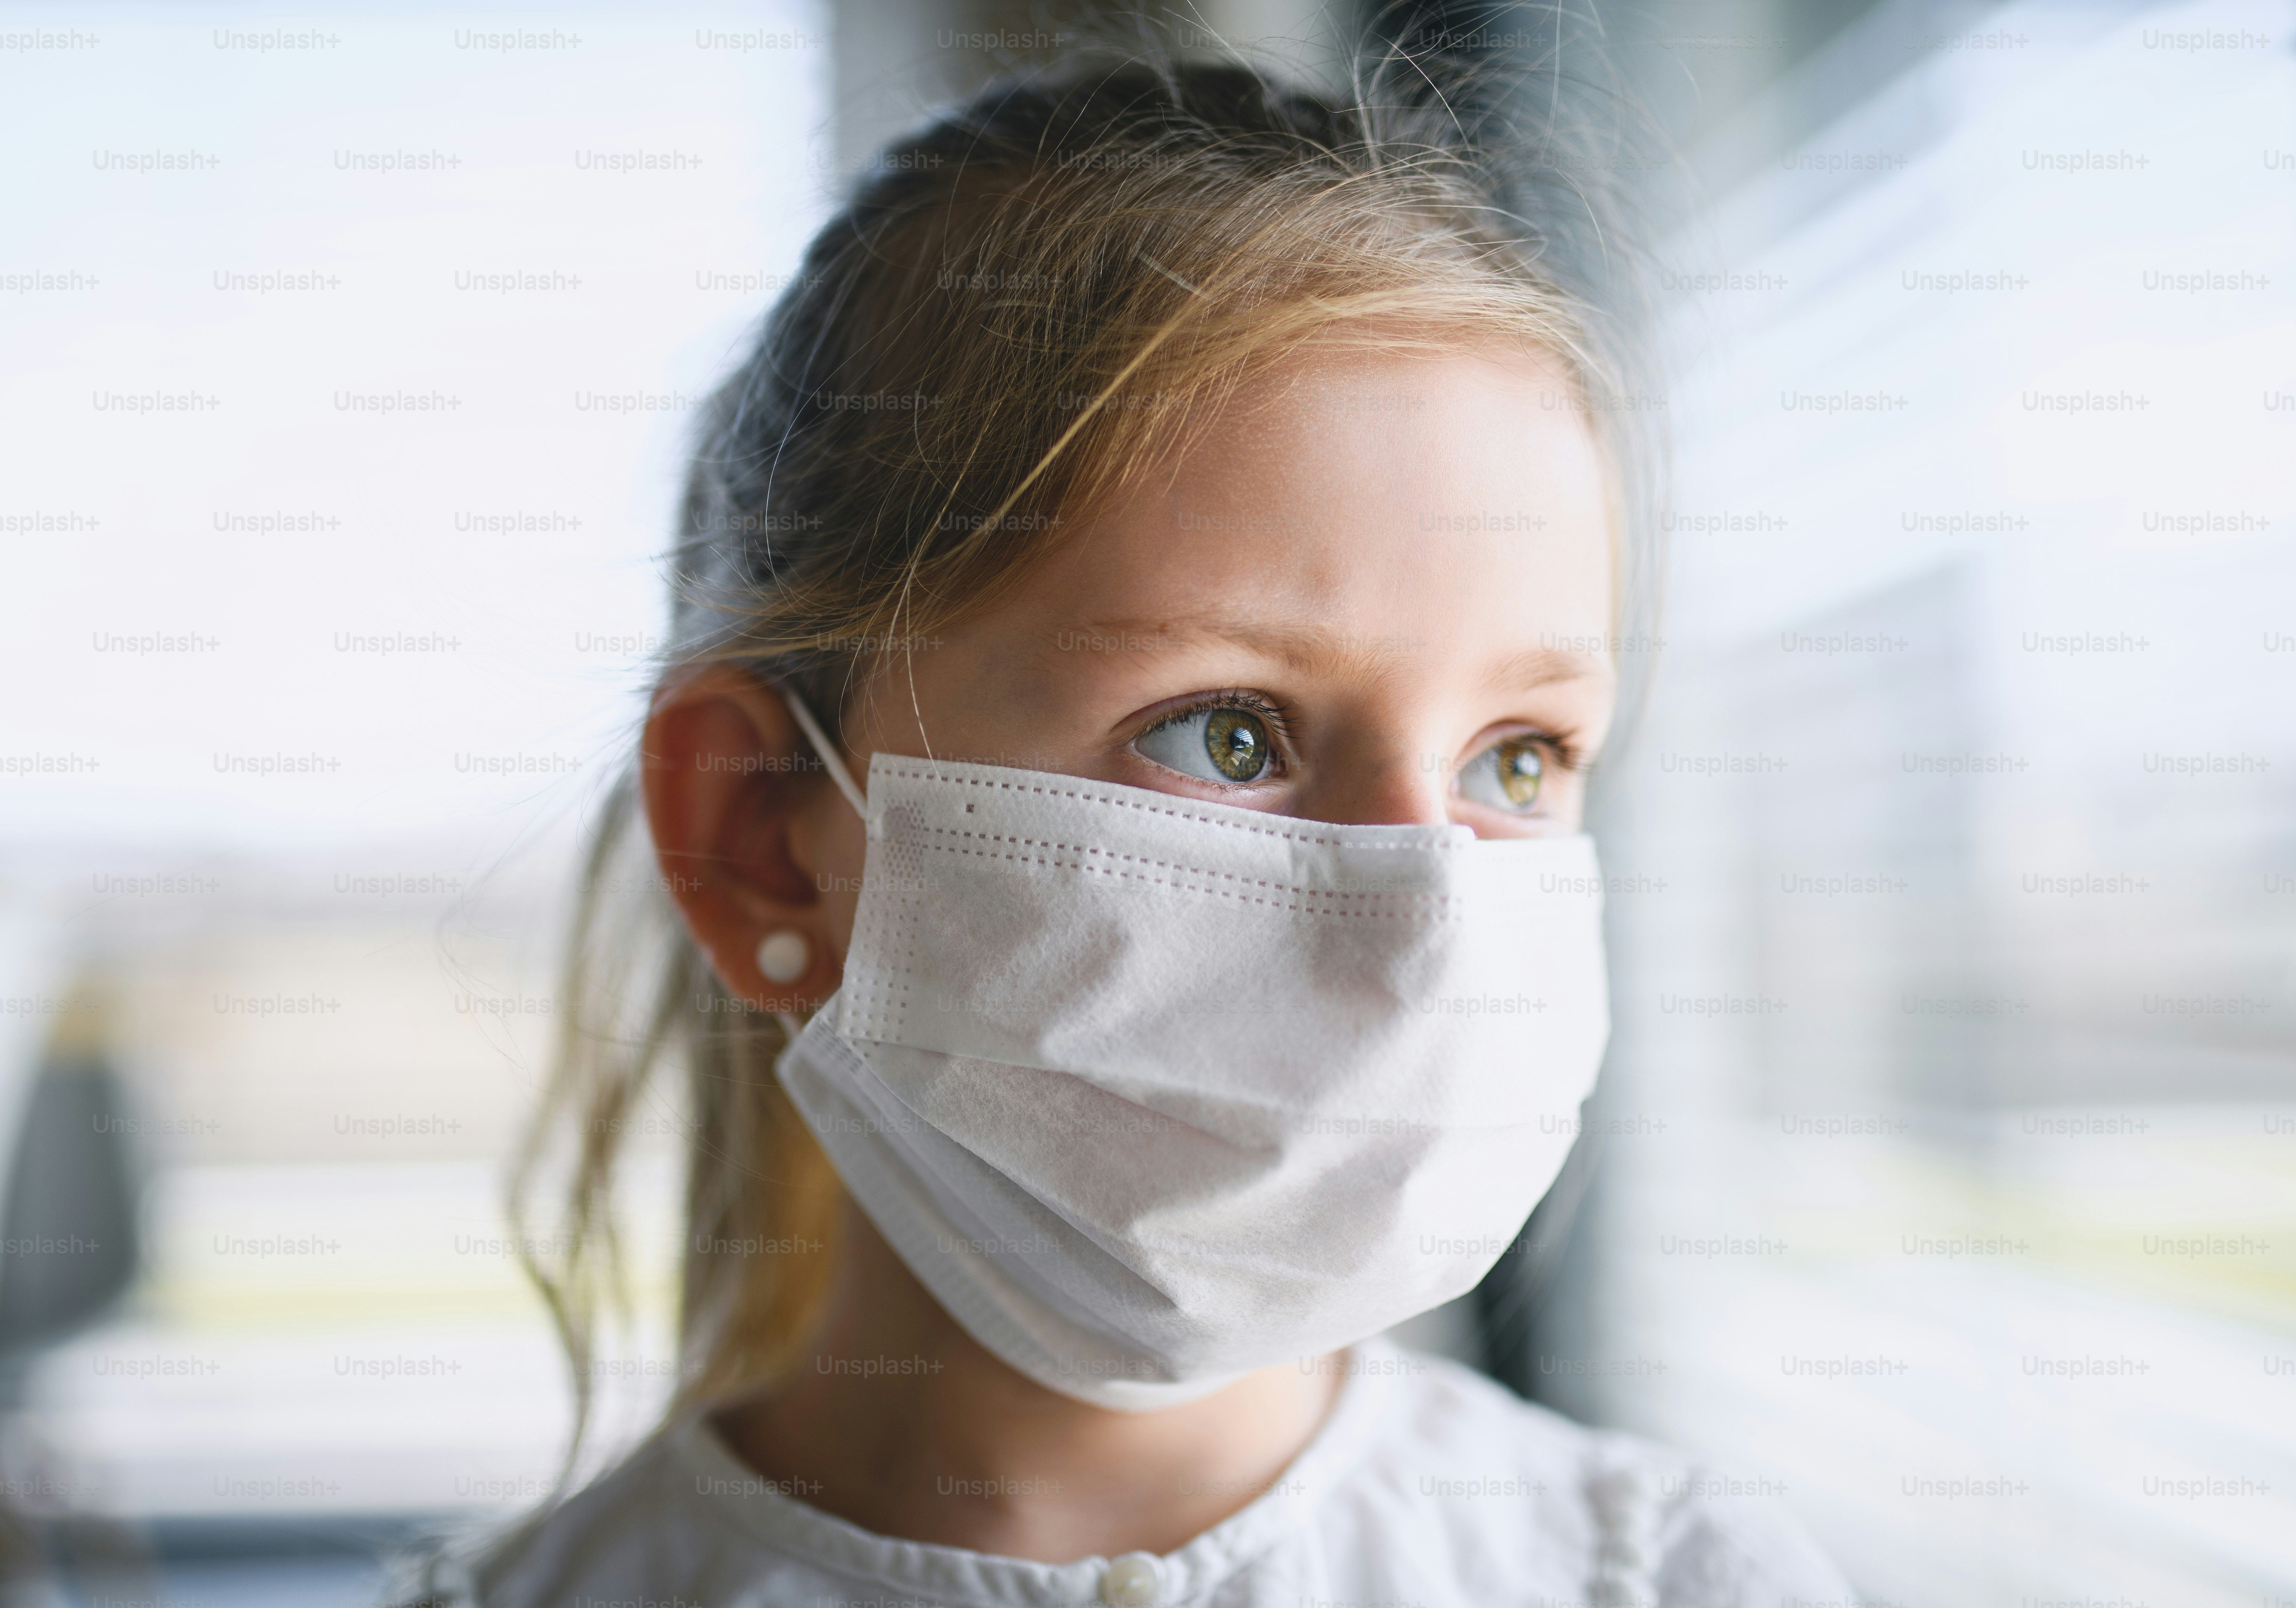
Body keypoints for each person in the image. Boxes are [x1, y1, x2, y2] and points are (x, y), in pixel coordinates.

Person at [405, 41, 1849, 1608]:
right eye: (1225, 733)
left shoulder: (1673, 1575)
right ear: (765, 829)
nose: (1427, 921)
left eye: (1517, 758)